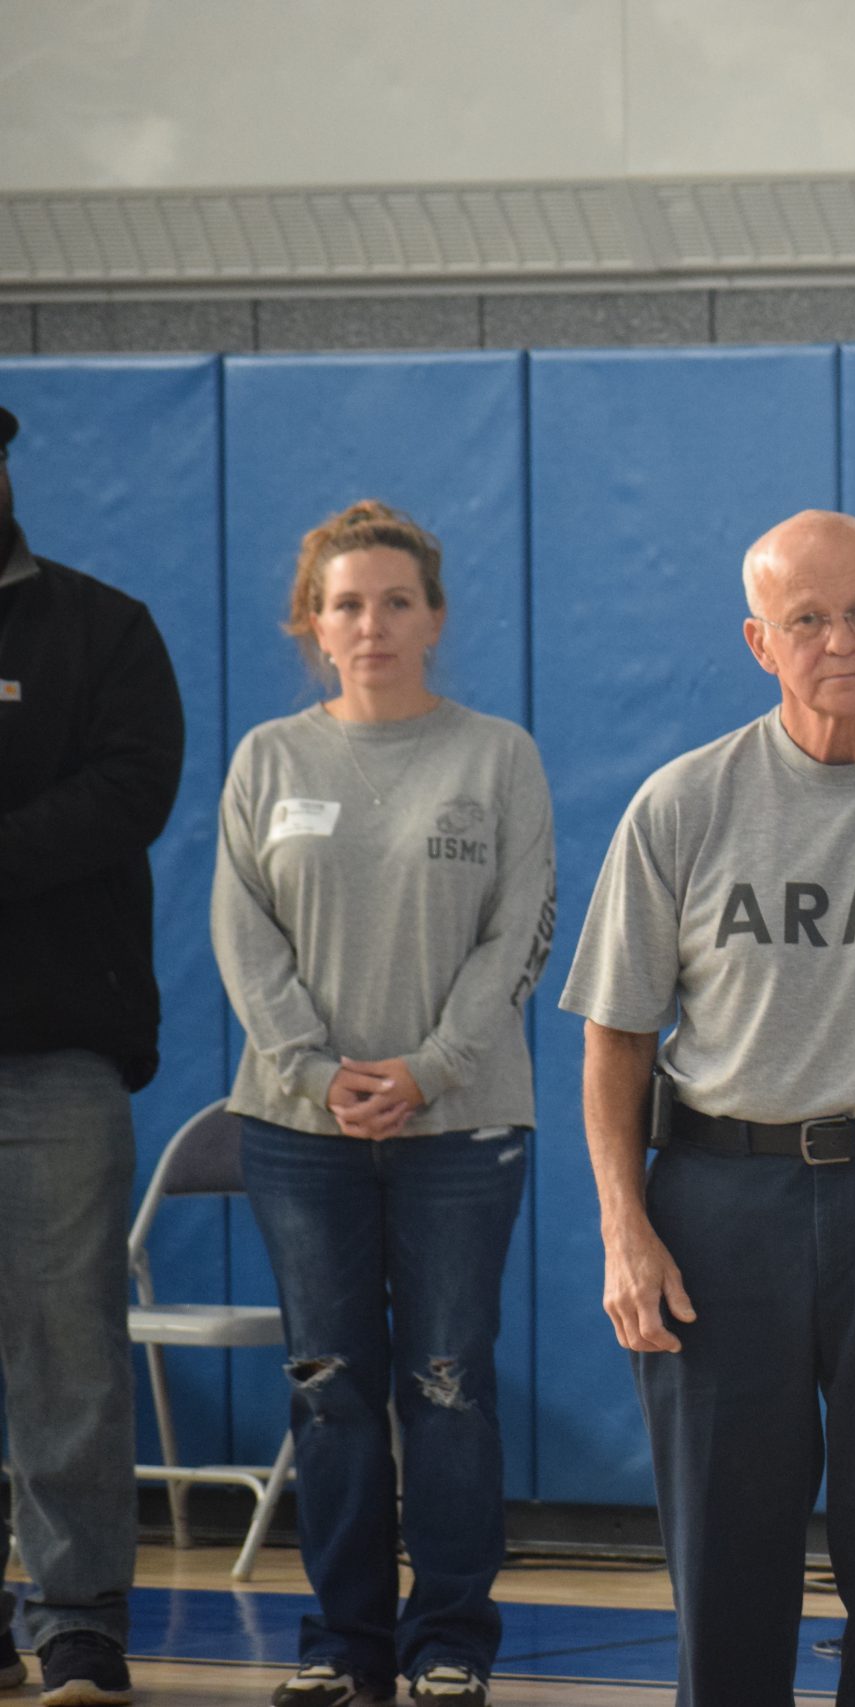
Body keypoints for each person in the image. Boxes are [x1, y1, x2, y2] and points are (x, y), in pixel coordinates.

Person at [560, 511, 855, 1707]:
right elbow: (615, 1040)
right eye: (807, 619)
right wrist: (626, 1228)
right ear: (758, 640)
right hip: (721, 1209)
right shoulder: (681, 806)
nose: (841, 639)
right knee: (727, 1559)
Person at [211, 501, 554, 1707]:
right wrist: (316, 1069)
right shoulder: (269, 759)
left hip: (460, 1126)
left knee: (449, 1379)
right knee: (330, 1381)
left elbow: (521, 933)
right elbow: (243, 940)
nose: (373, 623)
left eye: (396, 601)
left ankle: (449, 1636)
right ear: (313, 624)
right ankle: (341, 1643)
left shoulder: (495, 755)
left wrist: (426, 1071)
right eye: (347, 603)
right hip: (301, 1133)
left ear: (434, 618)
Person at [0, 402, 182, 1707]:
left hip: (57, 1050)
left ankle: (76, 1623)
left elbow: (132, 788)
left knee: (68, 1341)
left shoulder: (99, 626)